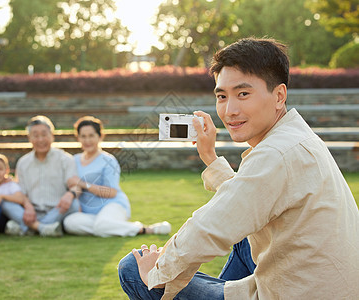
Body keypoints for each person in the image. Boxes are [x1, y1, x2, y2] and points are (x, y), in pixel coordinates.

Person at [118, 37, 359, 299]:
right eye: (222, 96)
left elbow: (211, 226)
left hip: (297, 292)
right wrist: (210, 156)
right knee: (244, 238)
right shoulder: (295, 137)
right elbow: (248, 200)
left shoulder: (276, 153)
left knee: (133, 269)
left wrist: (158, 268)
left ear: (279, 96)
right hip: (323, 284)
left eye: (243, 94)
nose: (230, 110)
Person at [63, 116, 171, 237]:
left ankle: (146, 229)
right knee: (69, 222)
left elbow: (111, 192)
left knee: (102, 225)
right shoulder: (74, 160)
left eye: (91, 135)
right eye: (83, 136)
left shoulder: (109, 160)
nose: (87, 140)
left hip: (113, 205)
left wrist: (83, 184)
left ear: (100, 136)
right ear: (78, 138)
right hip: (89, 213)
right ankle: (108, 227)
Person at [0, 115, 80, 237]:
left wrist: (70, 194)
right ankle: (43, 228)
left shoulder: (65, 159)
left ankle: (27, 227)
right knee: (5, 203)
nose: (40, 139)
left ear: (52, 136)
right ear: (29, 138)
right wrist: (28, 207)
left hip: (57, 210)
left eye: (44, 135)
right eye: (35, 136)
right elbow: (20, 193)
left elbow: (76, 186)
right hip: (31, 212)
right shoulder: (23, 162)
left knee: (74, 204)